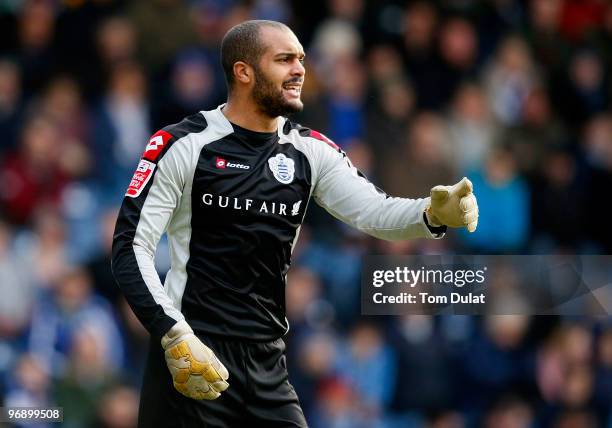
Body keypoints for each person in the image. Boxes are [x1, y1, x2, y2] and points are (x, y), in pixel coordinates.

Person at [111, 19, 478, 428]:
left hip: (267, 361)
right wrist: (172, 332)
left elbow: (373, 211)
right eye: (284, 59)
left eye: (301, 59)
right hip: (192, 356)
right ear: (243, 71)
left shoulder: (309, 149)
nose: (300, 70)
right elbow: (131, 247)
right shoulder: (183, 144)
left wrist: (430, 214)